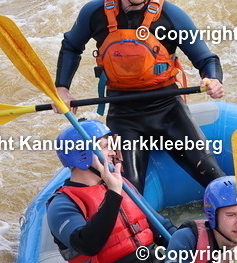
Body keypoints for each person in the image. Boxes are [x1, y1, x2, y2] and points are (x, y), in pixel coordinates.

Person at [55, 0, 226, 191]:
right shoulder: (94, 12)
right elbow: (71, 46)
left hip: (168, 110)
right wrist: (62, 89)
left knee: (212, 174)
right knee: (126, 189)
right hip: (124, 114)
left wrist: (212, 79)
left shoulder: (171, 16)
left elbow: (206, 59)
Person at [46, 120, 172, 263]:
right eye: (104, 146)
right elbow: (88, 244)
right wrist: (113, 194)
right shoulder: (62, 204)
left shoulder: (124, 185)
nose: (113, 151)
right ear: (82, 155)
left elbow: (163, 227)